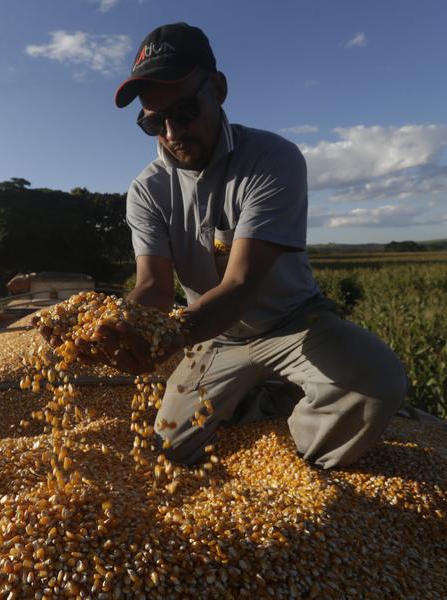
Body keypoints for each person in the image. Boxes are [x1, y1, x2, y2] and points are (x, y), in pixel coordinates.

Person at [42, 22, 408, 469]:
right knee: (169, 448)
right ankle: (259, 401)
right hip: (213, 336)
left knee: (376, 379)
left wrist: (171, 336)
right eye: (154, 121)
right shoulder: (147, 191)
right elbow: (153, 288)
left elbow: (241, 283)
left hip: (292, 322)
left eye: (185, 110)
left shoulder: (270, 160)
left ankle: (296, 465)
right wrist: (114, 324)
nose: (172, 132)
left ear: (217, 88)